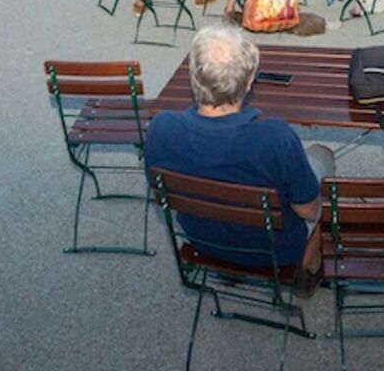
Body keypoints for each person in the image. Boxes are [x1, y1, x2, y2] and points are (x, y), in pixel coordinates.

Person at [143, 26, 334, 285]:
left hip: (203, 241)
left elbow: (160, 197)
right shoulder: (276, 137)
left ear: (194, 76)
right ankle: (310, 265)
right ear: (248, 80)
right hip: (276, 250)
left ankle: (230, 267)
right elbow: (308, 211)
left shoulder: (161, 127)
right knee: (323, 157)